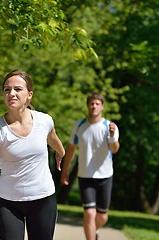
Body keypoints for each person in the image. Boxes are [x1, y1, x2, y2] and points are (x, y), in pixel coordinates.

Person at [0, 70, 65, 240]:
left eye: (18, 89)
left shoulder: (44, 121)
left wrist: (60, 152)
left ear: (29, 95)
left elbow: (53, 139)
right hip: (8, 203)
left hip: (43, 199)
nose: (12, 93)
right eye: (7, 89)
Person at [61, 92, 120, 240]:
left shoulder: (109, 126)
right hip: (85, 176)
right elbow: (71, 148)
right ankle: (91, 236)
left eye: (97, 103)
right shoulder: (79, 125)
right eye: (91, 103)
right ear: (88, 105)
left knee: (102, 217)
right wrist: (65, 170)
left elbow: (114, 149)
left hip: (105, 176)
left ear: (102, 106)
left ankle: (93, 231)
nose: (94, 106)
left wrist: (112, 136)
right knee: (89, 213)